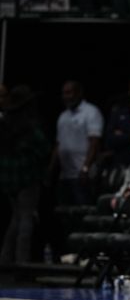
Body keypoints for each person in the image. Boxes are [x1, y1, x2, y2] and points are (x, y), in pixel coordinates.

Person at [0, 86, 49, 264]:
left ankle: (5, 259)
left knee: (16, 218)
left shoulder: (5, 122)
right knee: (26, 218)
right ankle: (22, 262)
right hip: (27, 175)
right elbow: (42, 148)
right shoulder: (29, 125)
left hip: (8, 177)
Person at [50, 81, 104, 205]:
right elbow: (59, 144)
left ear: (79, 93)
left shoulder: (91, 112)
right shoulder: (63, 116)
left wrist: (85, 168)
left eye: (69, 92)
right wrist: (51, 168)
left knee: (82, 210)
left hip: (83, 174)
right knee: (64, 213)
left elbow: (94, 142)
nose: (66, 96)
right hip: (65, 175)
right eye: (64, 93)